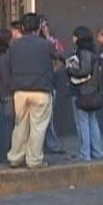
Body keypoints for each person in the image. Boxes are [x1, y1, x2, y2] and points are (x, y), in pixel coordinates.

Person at [6, 13, 54, 169]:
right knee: (38, 126)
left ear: (22, 27)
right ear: (39, 27)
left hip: (19, 90)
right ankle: (34, 160)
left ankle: (15, 157)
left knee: (20, 124)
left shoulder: (13, 45)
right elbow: (58, 58)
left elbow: (8, 65)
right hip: (41, 89)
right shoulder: (46, 45)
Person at [67, 26, 103, 162]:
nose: (73, 38)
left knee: (82, 123)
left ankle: (85, 153)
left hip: (82, 93)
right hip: (92, 92)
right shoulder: (92, 52)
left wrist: (70, 69)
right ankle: (97, 151)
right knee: (92, 121)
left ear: (79, 38)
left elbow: (83, 71)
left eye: (74, 36)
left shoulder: (84, 53)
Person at [40, 16, 65, 155]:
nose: (43, 28)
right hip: (36, 83)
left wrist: (52, 70)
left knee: (49, 117)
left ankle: (52, 144)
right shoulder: (32, 42)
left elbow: (60, 58)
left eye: (45, 25)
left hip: (50, 84)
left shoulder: (53, 42)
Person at [0, 29, 14, 162]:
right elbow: (6, 79)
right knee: (6, 125)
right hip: (6, 93)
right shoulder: (4, 57)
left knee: (1, 124)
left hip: (1, 91)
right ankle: (4, 153)